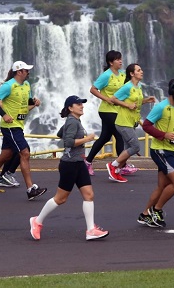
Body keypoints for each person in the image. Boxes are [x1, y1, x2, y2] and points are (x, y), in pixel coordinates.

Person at [29, 95, 108, 241]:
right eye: (78, 104)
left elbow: (61, 134)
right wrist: (87, 139)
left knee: (89, 195)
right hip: (70, 164)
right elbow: (69, 142)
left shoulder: (73, 121)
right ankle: (37, 221)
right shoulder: (73, 122)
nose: (81, 106)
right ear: (70, 108)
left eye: (81, 104)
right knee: (60, 199)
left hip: (78, 162)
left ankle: (90, 230)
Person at [0, 61, 47, 200]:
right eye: (26, 70)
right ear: (19, 72)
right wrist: (4, 115)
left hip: (18, 125)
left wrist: (35, 102)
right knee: (25, 153)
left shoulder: (26, 85)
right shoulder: (8, 86)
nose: (28, 72)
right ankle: (30, 189)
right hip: (10, 126)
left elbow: (26, 102)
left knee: (5, 156)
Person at [138, 78, 174, 228]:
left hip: (173, 150)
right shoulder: (161, 107)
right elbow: (146, 125)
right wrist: (163, 134)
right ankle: (156, 210)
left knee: (162, 186)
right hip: (160, 151)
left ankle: (145, 214)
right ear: (172, 91)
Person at [106, 63, 156, 182]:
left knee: (127, 148)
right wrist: (127, 105)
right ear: (132, 74)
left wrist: (145, 101)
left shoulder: (138, 87)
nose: (141, 71)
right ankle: (113, 166)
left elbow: (135, 103)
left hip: (131, 122)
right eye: (138, 70)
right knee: (135, 146)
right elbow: (113, 99)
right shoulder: (127, 87)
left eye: (141, 69)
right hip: (123, 122)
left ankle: (117, 171)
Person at [86, 50, 126, 176]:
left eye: (120, 59)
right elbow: (93, 89)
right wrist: (106, 98)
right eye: (117, 59)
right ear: (110, 62)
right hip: (107, 110)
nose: (120, 61)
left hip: (117, 110)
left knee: (105, 137)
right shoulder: (106, 75)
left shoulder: (122, 75)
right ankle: (121, 165)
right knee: (119, 135)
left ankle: (87, 162)